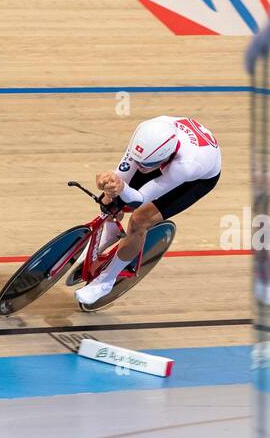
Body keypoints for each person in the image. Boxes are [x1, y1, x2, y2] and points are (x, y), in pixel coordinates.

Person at [76, 115, 222, 307]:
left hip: (198, 179)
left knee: (139, 220)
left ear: (166, 157)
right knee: (110, 199)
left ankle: (105, 281)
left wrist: (122, 188)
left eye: (148, 166)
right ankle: (111, 232)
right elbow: (122, 174)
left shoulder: (185, 167)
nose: (143, 169)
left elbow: (141, 199)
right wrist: (108, 181)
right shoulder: (145, 133)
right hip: (161, 154)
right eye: (140, 162)